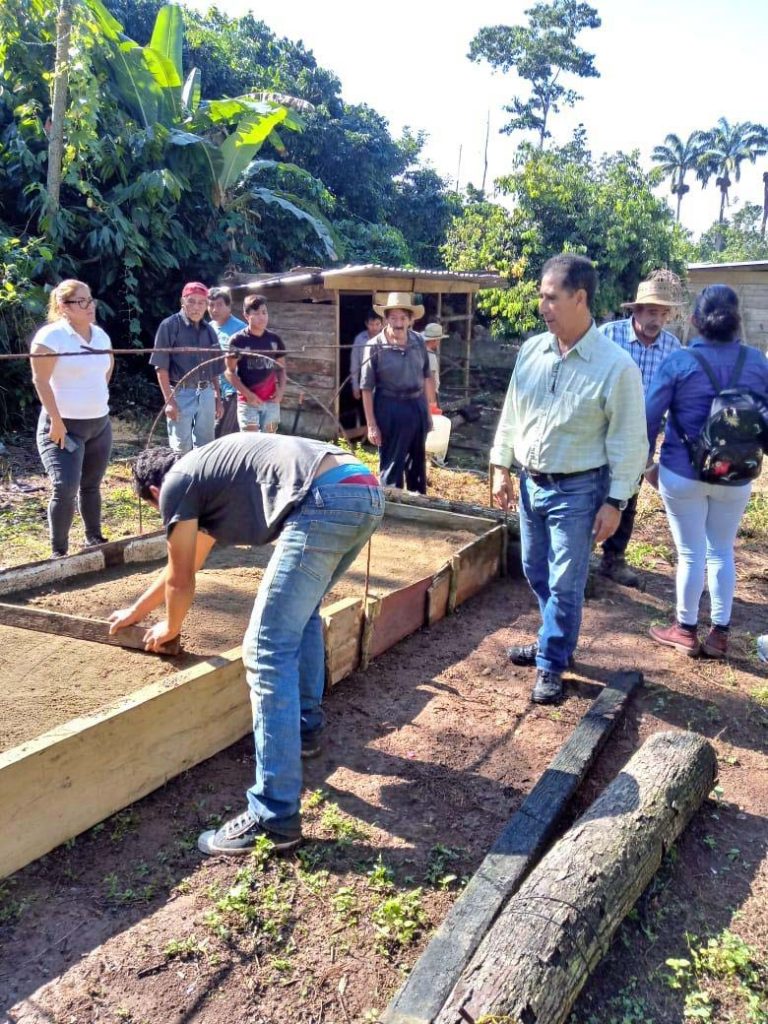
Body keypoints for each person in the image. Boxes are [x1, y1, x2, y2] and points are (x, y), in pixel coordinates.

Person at [108, 433, 384, 854]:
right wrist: (136, 612)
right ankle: (305, 731)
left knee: (265, 649)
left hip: (324, 500)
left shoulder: (178, 485)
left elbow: (181, 581)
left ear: (152, 493)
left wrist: (170, 628)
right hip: (362, 488)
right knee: (304, 613)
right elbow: (181, 566)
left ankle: (274, 816)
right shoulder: (207, 473)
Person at [491, 254, 647, 705]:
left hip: (579, 490)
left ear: (580, 298)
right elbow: (512, 413)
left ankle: (552, 662)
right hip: (530, 483)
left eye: (551, 297)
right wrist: (501, 466)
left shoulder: (616, 367)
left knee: (565, 580)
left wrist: (615, 502)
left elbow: (629, 442)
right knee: (534, 568)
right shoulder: (532, 351)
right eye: (542, 296)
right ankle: (551, 640)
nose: (543, 306)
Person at [645, 284, 768, 659]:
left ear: (696, 321)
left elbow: (647, 420)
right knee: (721, 549)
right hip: (737, 475)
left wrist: (646, 466)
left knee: (690, 551)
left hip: (682, 473)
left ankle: (684, 629)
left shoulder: (679, 363)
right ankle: (720, 635)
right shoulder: (760, 363)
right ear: (737, 322)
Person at [597, 271, 682, 587]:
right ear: (635, 311)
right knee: (589, 487)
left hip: (642, 435)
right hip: (601, 428)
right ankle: (577, 553)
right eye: (649, 311)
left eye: (661, 313)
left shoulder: (673, 348)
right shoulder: (610, 336)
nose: (655, 319)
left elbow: (677, 397)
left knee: (626, 496)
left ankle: (613, 558)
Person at [30, 279, 113, 557]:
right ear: (63, 307)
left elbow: (106, 371)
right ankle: (59, 551)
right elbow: (40, 381)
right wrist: (56, 419)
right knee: (65, 486)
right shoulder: (50, 338)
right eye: (82, 302)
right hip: (63, 427)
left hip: (99, 424)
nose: (90, 306)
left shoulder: (101, 336)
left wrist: (94, 399)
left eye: (90, 299)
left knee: (92, 484)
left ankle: (94, 538)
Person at [360, 292, 436, 493]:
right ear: (386, 319)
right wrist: (372, 426)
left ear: (411, 320)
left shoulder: (419, 341)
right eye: (393, 318)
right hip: (389, 408)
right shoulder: (374, 346)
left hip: (417, 406)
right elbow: (366, 388)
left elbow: (426, 376)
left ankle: (418, 508)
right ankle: (391, 512)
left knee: (417, 464)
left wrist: (428, 414)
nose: (398, 323)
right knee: (392, 466)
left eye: (403, 318)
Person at [150, 282, 223, 453]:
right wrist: (169, 401)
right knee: (180, 447)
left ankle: (201, 479)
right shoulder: (169, 326)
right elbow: (161, 366)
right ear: (182, 301)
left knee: (206, 446)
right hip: (180, 393)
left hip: (206, 393)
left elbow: (214, 369)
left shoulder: (209, 331)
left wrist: (218, 400)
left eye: (201, 302)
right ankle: (180, 478)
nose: (196, 307)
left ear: (206, 306)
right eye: (191, 301)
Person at [225, 294, 286, 433]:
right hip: (248, 401)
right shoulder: (237, 341)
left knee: (270, 441)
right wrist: (247, 394)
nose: (262, 317)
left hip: (271, 401)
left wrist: (281, 391)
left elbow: (281, 369)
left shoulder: (275, 340)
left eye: (264, 312)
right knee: (250, 441)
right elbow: (229, 372)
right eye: (256, 313)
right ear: (246, 315)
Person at [207, 287, 246, 439]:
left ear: (229, 306)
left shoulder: (241, 330)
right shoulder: (208, 328)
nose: (214, 309)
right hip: (212, 390)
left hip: (234, 391)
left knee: (223, 434)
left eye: (219, 304)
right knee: (208, 433)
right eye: (211, 305)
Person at [349, 310, 383, 401]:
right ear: (366, 324)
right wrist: (355, 385)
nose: (374, 328)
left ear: (382, 324)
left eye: (377, 324)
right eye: (371, 324)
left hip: (384, 382)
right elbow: (355, 363)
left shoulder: (386, 339)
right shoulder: (359, 339)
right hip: (365, 380)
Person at [422, 322, 448, 404]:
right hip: (429, 394)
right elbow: (431, 379)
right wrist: (433, 401)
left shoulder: (419, 351)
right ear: (435, 340)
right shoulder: (430, 356)